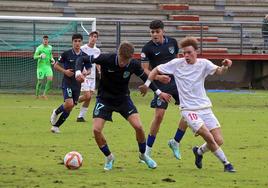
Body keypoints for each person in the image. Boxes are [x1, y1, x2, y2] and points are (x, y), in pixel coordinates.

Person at [142, 36, 236, 172]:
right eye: (184, 53)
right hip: (188, 110)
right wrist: (147, 84)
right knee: (208, 136)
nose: (186, 55)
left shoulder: (204, 64)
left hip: (205, 107)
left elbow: (220, 71)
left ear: (196, 52)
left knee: (218, 140)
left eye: (189, 52)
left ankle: (199, 151)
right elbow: (156, 69)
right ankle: (227, 164)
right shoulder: (176, 63)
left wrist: (226, 66)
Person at [75, 41, 171, 171]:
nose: (123, 63)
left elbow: (145, 77)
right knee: (96, 130)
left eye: (126, 60)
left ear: (131, 58)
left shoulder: (133, 64)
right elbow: (81, 58)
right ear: (118, 54)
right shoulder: (106, 58)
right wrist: (77, 72)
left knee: (139, 127)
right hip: (104, 99)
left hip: (123, 99)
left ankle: (143, 155)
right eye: (122, 59)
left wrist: (159, 93)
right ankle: (109, 157)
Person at [141, 20, 187, 160]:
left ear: (163, 31)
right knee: (159, 116)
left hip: (177, 83)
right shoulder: (147, 49)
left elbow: (177, 61)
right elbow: (145, 70)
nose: (154, 34)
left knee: (188, 112)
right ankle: (147, 151)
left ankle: (175, 141)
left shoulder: (173, 42)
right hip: (160, 84)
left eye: (157, 31)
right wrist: (159, 77)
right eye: (152, 32)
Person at [50, 33, 89, 133]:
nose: (77, 43)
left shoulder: (84, 56)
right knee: (69, 103)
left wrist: (84, 75)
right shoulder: (66, 53)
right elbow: (56, 66)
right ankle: (56, 112)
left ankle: (56, 127)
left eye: (79, 41)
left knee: (70, 108)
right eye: (75, 41)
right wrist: (65, 71)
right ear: (72, 42)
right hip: (67, 82)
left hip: (77, 84)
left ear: (81, 42)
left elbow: (89, 69)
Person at [76, 31, 101, 122]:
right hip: (84, 75)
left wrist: (100, 71)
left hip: (93, 76)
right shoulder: (82, 48)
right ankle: (73, 102)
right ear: (89, 37)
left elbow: (98, 62)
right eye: (92, 36)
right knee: (87, 96)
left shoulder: (97, 50)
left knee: (89, 97)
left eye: (95, 37)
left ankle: (81, 116)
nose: (93, 38)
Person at [33, 35, 54, 99]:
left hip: (48, 66)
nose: (45, 41)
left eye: (46, 39)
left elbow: (50, 55)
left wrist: (52, 59)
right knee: (40, 82)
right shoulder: (39, 48)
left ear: (48, 40)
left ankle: (44, 94)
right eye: (44, 39)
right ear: (42, 40)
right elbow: (34, 57)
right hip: (40, 67)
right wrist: (40, 56)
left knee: (50, 79)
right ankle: (36, 95)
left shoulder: (50, 47)